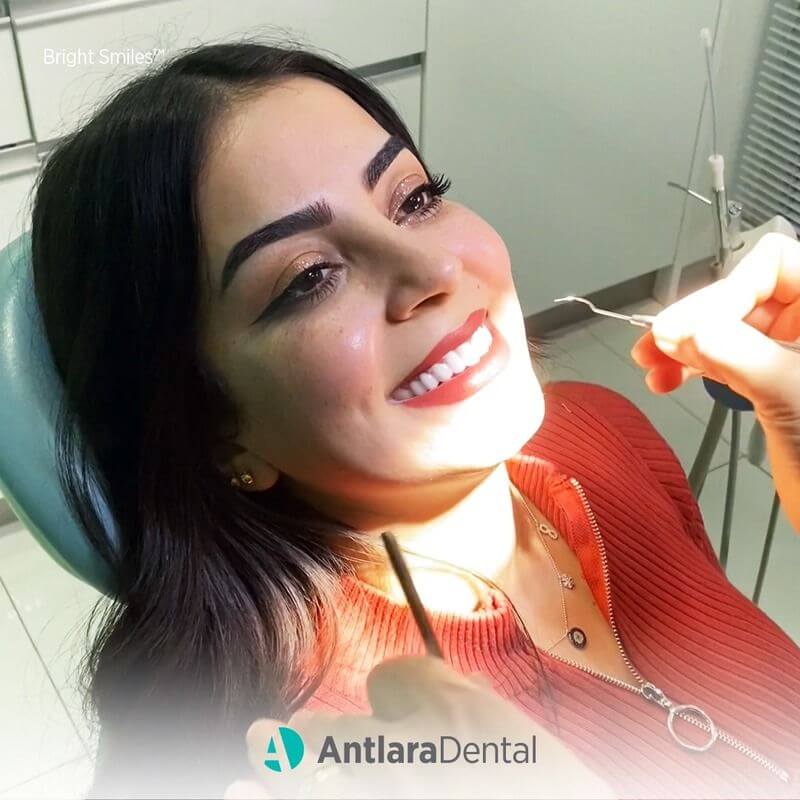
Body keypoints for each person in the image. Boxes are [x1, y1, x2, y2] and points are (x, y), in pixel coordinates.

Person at [28, 39, 799, 800]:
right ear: (216, 429)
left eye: (416, 198)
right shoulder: (299, 751)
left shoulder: (605, 429)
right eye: (309, 279)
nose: (435, 270)